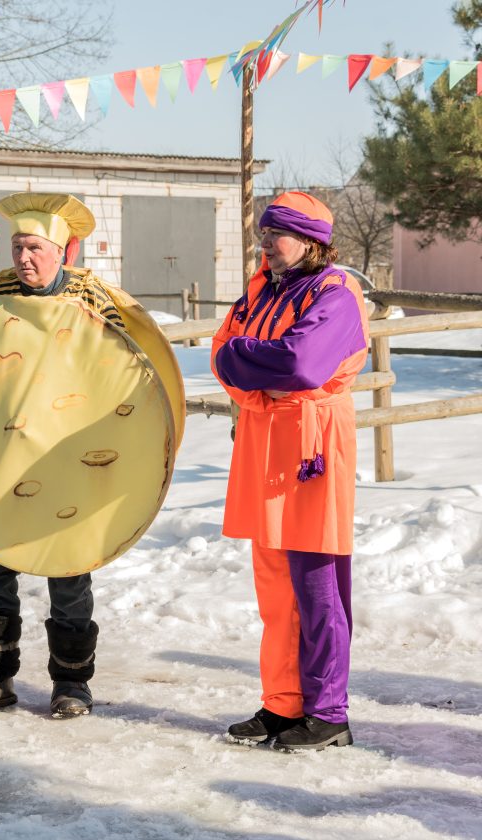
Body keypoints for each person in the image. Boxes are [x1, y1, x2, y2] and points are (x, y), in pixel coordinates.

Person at [0, 192, 125, 718]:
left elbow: (124, 375)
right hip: (0, 457)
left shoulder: (93, 301)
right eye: (18, 247)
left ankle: (72, 685)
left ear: (60, 251)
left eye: (35, 248)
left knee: (68, 573)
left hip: (68, 460)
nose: (23, 258)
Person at [211, 191, 369, 751]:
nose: (264, 244)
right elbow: (221, 355)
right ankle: (283, 705)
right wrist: (257, 368)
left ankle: (328, 713)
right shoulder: (262, 291)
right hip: (264, 443)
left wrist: (257, 363)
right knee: (276, 587)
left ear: (310, 242)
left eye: (274, 234)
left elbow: (303, 365)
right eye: (262, 234)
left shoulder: (336, 293)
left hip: (311, 448)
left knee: (316, 584)